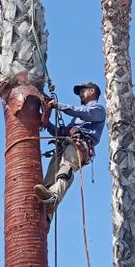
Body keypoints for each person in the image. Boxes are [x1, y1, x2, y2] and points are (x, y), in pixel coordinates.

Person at [34, 82, 106, 221]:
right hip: (66, 144)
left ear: (92, 91)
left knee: (66, 167)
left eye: (82, 91)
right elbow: (61, 132)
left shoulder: (97, 109)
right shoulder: (77, 118)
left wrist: (58, 106)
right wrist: (46, 123)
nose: (80, 94)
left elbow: (82, 112)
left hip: (79, 144)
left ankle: (54, 197)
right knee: (49, 179)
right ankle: (47, 216)